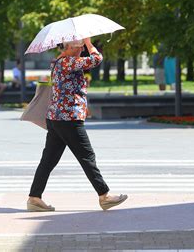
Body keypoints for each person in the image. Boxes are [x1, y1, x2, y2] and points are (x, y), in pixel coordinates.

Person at [27, 37, 128, 212]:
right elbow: (97, 59)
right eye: (80, 47)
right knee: (87, 156)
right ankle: (104, 196)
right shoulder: (68, 62)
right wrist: (89, 43)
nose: (82, 50)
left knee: (48, 160)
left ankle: (34, 198)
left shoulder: (58, 61)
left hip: (56, 118)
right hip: (69, 119)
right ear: (71, 48)